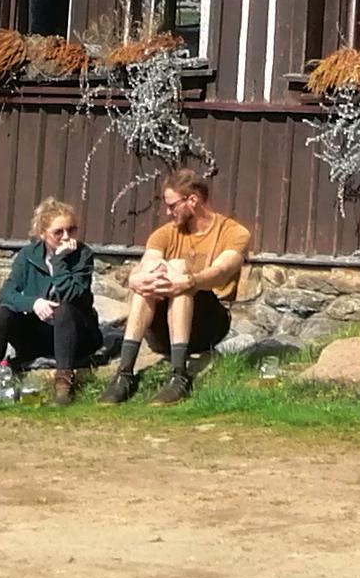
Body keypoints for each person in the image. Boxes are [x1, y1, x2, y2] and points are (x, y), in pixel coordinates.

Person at [108, 162, 253, 405]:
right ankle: (124, 373)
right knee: (153, 275)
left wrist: (189, 281)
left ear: (193, 201)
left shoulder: (234, 232)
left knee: (180, 270)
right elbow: (148, 262)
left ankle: (179, 376)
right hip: (164, 327)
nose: (167, 212)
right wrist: (136, 279)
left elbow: (222, 271)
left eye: (172, 205)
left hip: (209, 322)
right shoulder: (165, 233)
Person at [0, 198, 101, 407]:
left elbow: (73, 294)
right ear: (43, 234)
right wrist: (33, 303)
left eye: (71, 230)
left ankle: (64, 384)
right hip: (40, 333)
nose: (66, 237)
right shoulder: (28, 256)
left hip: (76, 334)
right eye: (58, 232)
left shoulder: (83, 256)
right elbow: (6, 293)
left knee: (64, 309)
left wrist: (59, 261)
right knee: (3, 314)